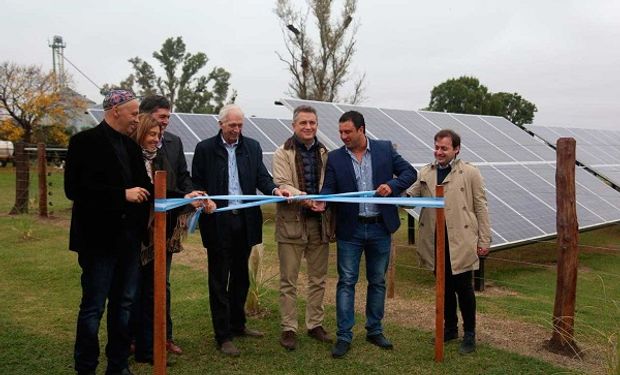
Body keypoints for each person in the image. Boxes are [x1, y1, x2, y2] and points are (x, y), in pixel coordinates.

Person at [316, 110, 417, 358]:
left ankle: (374, 330)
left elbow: (410, 173)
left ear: (362, 129)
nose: (343, 136)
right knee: (346, 282)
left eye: (348, 131)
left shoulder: (384, 149)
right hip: (350, 230)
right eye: (340, 132)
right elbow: (329, 189)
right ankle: (344, 336)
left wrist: (391, 186)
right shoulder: (336, 158)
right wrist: (322, 202)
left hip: (380, 228)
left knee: (378, 281)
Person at [192, 104, 290, 356]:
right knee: (219, 278)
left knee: (241, 277)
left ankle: (238, 324)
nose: (236, 130)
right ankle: (223, 335)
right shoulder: (204, 150)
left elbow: (262, 177)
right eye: (232, 125)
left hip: (245, 221)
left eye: (240, 125)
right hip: (217, 223)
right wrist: (204, 200)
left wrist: (274, 190)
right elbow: (197, 184)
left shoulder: (252, 147)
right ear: (221, 124)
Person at [65, 89, 151, 375]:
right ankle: (86, 367)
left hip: (128, 242)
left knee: (123, 305)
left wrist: (183, 195)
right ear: (116, 111)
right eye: (134, 113)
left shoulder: (130, 147)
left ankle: (118, 365)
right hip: (97, 242)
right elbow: (74, 189)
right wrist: (121, 195)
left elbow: (146, 190)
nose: (137, 120)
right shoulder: (83, 142)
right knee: (93, 308)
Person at [129, 114, 215, 363]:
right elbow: (149, 192)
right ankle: (127, 344)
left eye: (158, 135)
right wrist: (182, 197)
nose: (156, 139)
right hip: (135, 236)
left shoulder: (161, 158)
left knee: (152, 292)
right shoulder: (131, 159)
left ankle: (149, 348)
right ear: (140, 133)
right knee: (129, 293)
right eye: (151, 134)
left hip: (159, 234)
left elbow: (167, 192)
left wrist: (189, 197)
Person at [407, 129, 491, 354]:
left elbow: (481, 207)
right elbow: (409, 197)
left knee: (464, 288)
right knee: (443, 287)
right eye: (436, 147)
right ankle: (450, 328)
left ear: (456, 149)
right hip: (436, 240)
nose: (439, 152)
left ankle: (470, 334)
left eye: (444, 148)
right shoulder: (426, 172)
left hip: (461, 240)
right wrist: (391, 193)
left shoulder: (470, 173)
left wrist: (484, 239)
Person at [272, 105, 334, 351]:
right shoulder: (281, 153)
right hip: (291, 224)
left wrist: (324, 200)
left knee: (318, 279)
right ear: (294, 126)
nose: (308, 127)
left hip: (320, 223)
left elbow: (331, 184)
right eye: (303, 123)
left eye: (312, 123)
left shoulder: (326, 153)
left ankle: (315, 324)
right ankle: (289, 328)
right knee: (289, 280)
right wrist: (309, 199)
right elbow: (283, 183)